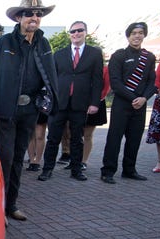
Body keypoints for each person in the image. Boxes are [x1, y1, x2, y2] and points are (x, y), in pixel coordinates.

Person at [0, 0, 57, 221]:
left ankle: (11, 204)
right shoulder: (4, 42)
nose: (34, 18)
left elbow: (50, 76)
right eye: (29, 14)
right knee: (5, 158)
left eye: (38, 14)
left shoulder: (44, 44)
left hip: (29, 111)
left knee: (18, 160)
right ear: (18, 18)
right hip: (6, 111)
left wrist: (48, 100)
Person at [38, 21, 103, 182]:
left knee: (77, 139)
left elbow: (97, 80)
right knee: (53, 138)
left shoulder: (94, 54)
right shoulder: (59, 54)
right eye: (73, 31)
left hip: (80, 104)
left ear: (85, 32)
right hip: (59, 103)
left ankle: (76, 170)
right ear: (69, 34)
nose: (76, 34)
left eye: (79, 30)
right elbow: (50, 79)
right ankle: (47, 169)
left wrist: (95, 103)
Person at [100, 22, 156, 184]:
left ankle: (129, 170)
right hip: (122, 104)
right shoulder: (119, 56)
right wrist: (133, 98)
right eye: (133, 33)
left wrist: (144, 98)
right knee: (114, 138)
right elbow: (116, 83)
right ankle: (108, 171)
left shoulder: (149, 57)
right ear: (128, 36)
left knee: (134, 138)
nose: (137, 36)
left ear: (144, 35)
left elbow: (152, 82)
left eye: (140, 33)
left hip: (141, 104)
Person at [82, 64, 110, 169]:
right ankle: (74, 160)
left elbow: (106, 88)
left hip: (96, 103)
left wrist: (94, 101)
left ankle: (83, 161)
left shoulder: (105, 69)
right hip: (79, 103)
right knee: (75, 133)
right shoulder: (82, 67)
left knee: (87, 134)